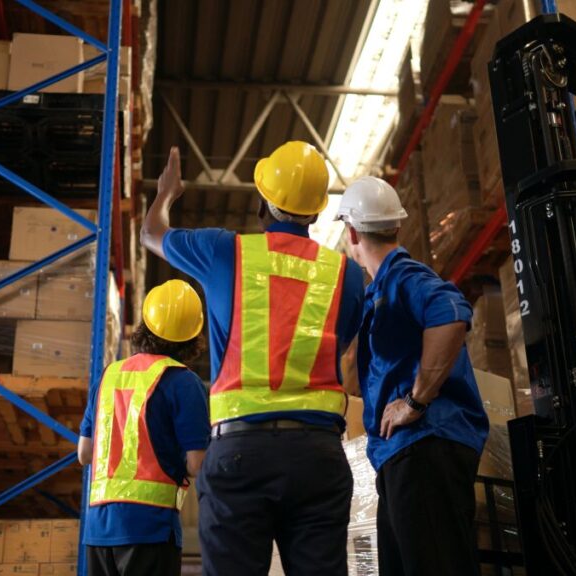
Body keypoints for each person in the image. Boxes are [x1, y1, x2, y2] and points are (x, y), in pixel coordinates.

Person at [141, 141, 365, 576]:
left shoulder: (226, 251)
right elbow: (342, 346)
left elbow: (152, 233)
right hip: (318, 457)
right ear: (317, 212)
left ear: (264, 200)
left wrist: (167, 195)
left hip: (239, 453)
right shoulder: (346, 274)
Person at [335, 176, 489, 576]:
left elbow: (451, 315)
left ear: (351, 231)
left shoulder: (403, 276)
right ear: (396, 226)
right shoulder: (382, 287)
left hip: (425, 447)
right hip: (403, 455)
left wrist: (415, 401)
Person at [78, 279, 211, 576]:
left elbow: (84, 453)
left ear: (145, 324)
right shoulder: (183, 382)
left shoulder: (108, 376)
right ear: (192, 337)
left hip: (98, 529)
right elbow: (196, 464)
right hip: (150, 529)